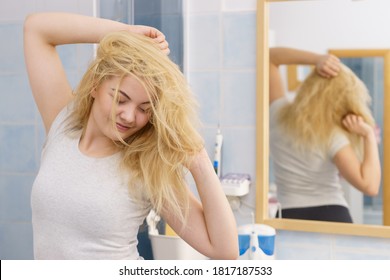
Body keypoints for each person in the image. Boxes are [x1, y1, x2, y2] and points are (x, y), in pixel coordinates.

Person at [24, 12, 238, 260]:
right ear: (96, 84)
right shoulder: (63, 125)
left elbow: (225, 251)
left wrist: (199, 160)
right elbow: (36, 28)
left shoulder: (146, 166)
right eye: (120, 99)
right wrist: (125, 33)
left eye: (144, 109)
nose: (128, 116)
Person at [269, 47, 381, 223]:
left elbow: (269, 57)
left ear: (308, 87)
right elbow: (370, 186)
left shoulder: (277, 115)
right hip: (331, 215)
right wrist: (368, 136)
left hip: (287, 214)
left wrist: (318, 59)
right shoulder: (332, 136)